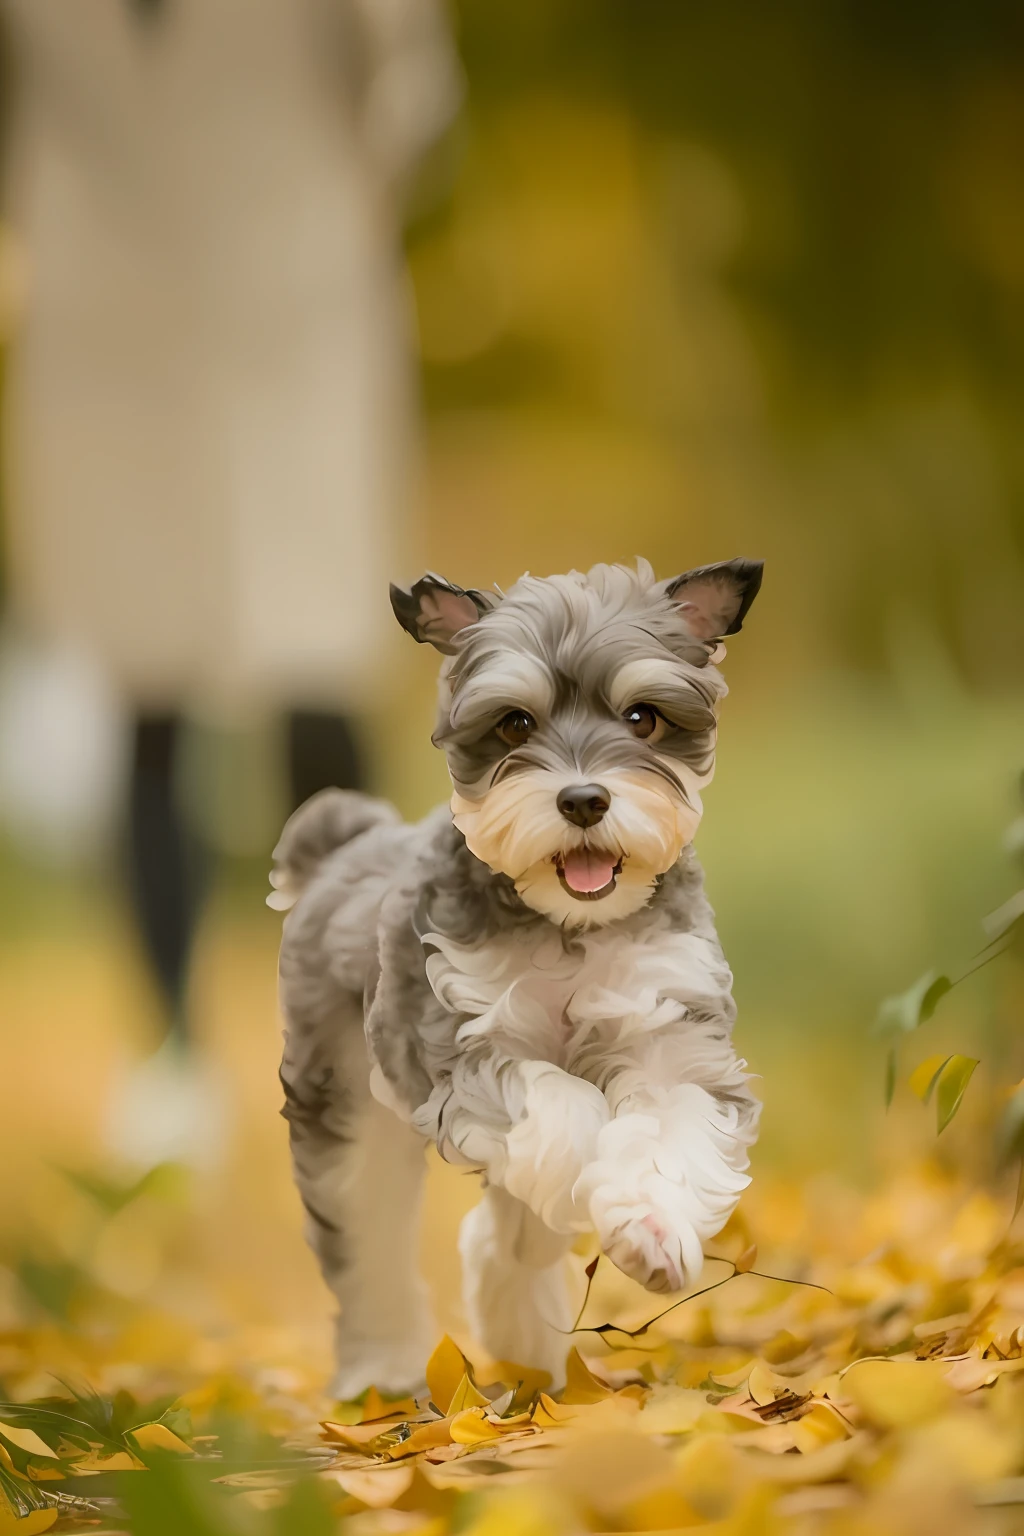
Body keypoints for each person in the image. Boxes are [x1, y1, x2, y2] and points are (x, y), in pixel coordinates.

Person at [0, 0, 460, 1164]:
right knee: (141, 676)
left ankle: (366, 1034)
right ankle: (166, 1056)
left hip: (292, 305)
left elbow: (406, 88)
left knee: (313, 668)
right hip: (105, 323)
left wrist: (330, 220)